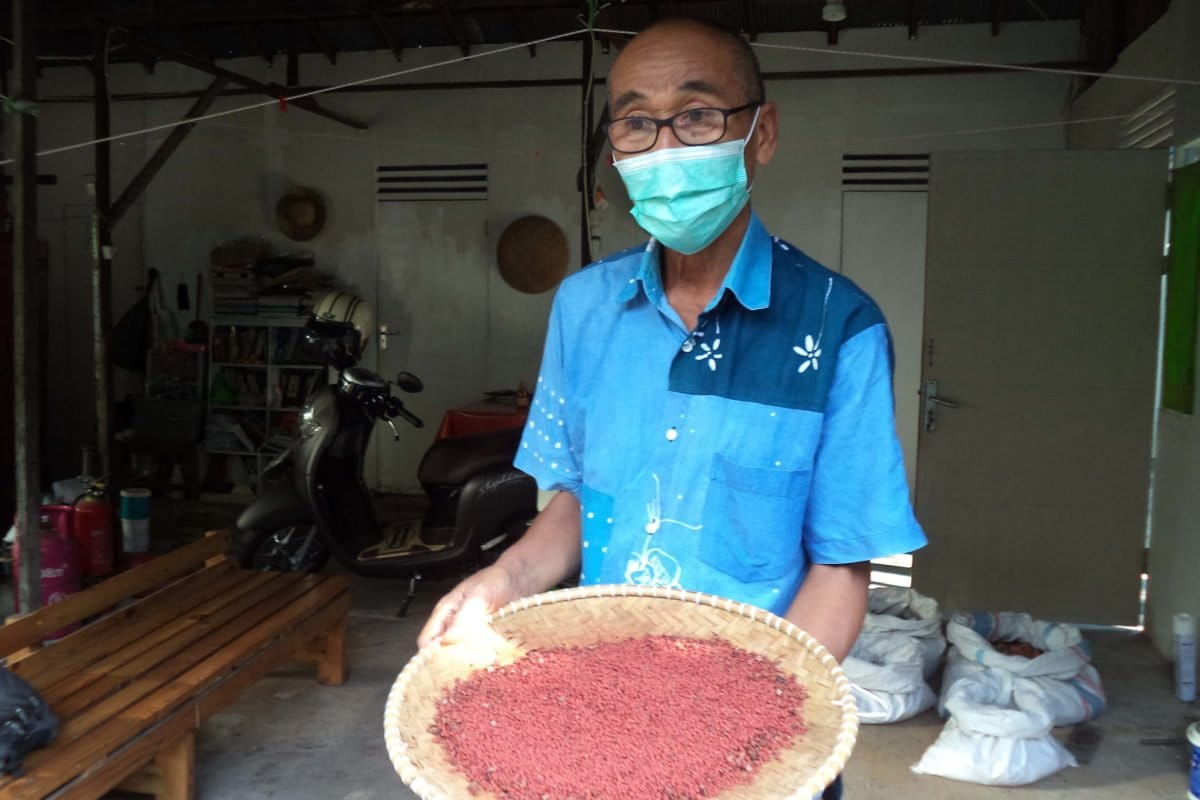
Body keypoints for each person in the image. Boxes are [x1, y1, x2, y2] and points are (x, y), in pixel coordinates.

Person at [418, 17, 927, 799]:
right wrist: (502, 580)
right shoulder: (585, 307)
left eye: (696, 116)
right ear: (615, 147)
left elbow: (842, 564)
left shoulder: (839, 327)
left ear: (761, 133)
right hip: (601, 712)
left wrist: (753, 718)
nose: (665, 148)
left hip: (759, 734)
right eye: (635, 122)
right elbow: (576, 502)